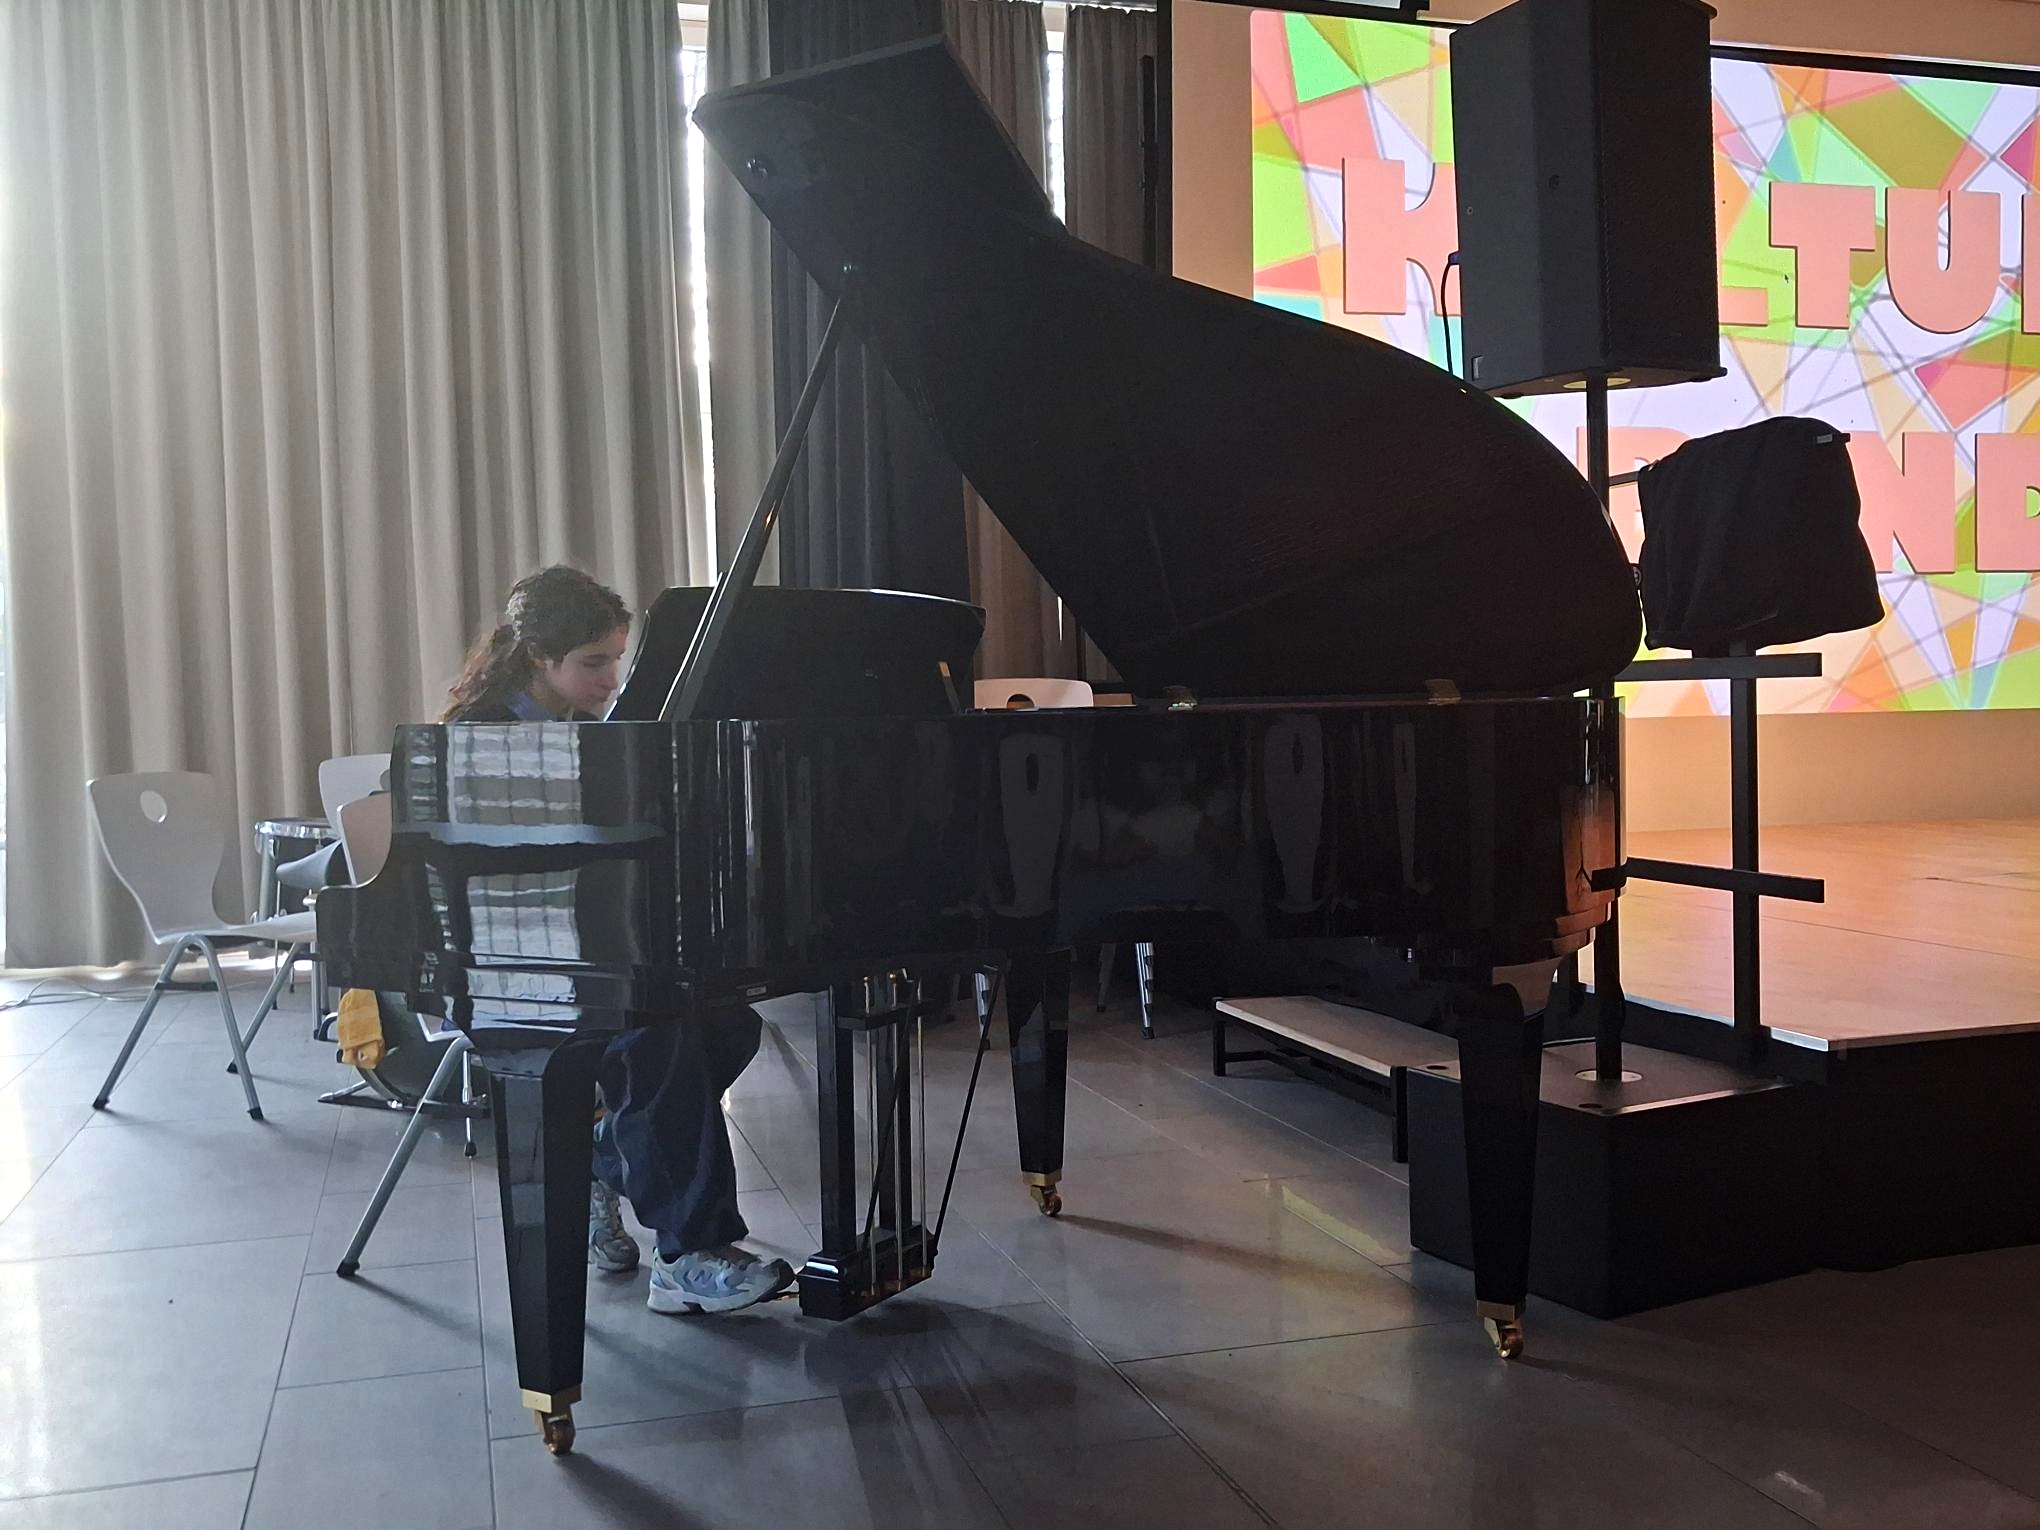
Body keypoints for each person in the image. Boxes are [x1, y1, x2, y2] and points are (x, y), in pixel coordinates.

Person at [444, 565, 795, 1314]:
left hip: (587, 953)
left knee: (729, 1024)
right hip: (512, 965)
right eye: (593, 662)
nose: (611, 678)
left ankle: (598, 1160)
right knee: (656, 1037)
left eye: (616, 659)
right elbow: (494, 877)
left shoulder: (588, 731)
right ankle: (689, 1254)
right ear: (540, 659)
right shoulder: (482, 737)